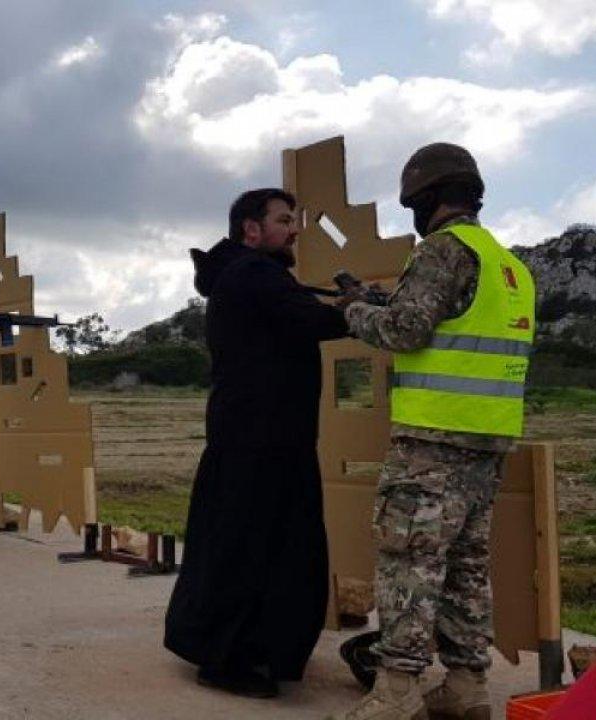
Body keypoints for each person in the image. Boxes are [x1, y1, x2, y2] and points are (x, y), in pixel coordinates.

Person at [331, 144, 535, 720]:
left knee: (408, 561)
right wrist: (384, 301)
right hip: (487, 441)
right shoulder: (508, 266)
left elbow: (405, 331)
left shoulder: (442, 250)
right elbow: (452, 327)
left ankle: (396, 692)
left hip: (431, 442)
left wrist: (355, 310)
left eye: (413, 204)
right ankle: (467, 688)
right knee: (466, 566)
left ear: (429, 198)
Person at [163, 188, 355, 699]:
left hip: (258, 437)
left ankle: (237, 648)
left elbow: (295, 316)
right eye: (284, 220)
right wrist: (359, 309)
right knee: (255, 549)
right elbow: (310, 319)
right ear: (251, 229)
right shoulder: (253, 273)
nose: (295, 230)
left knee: (242, 544)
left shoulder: (245, 274)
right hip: (262, 441)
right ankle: (228, 659)